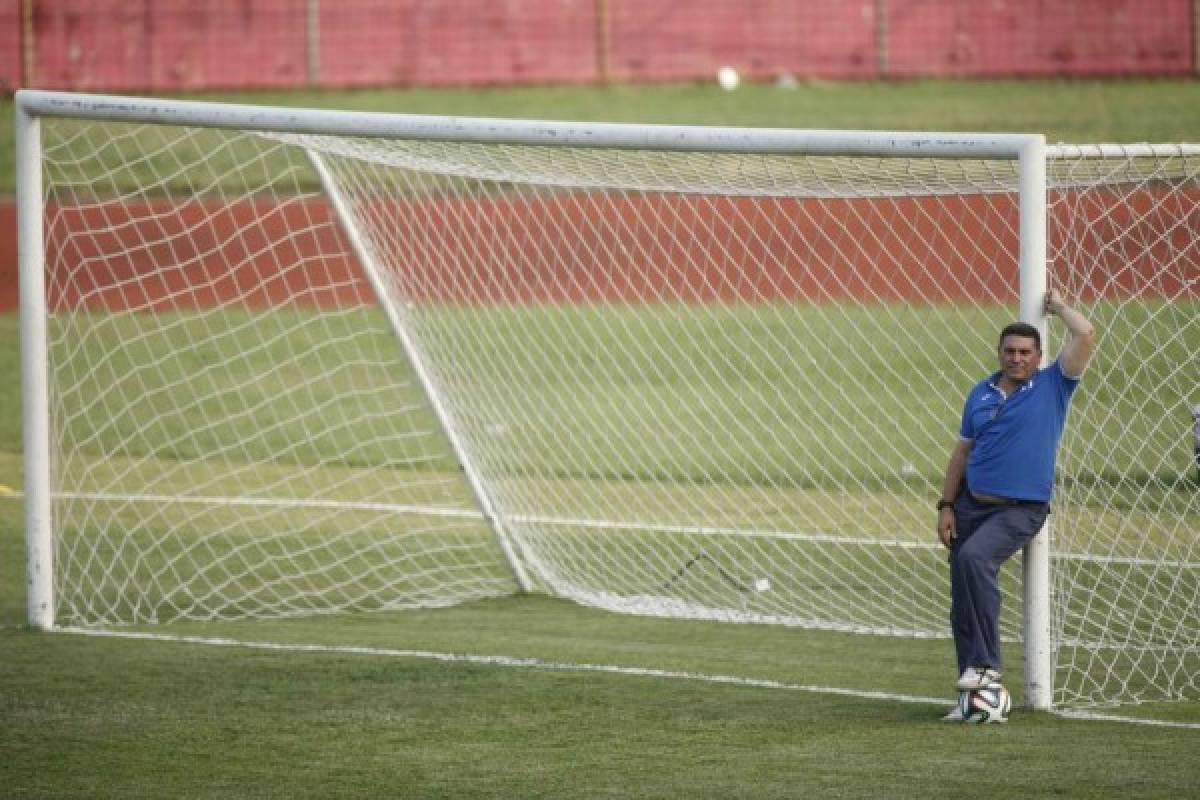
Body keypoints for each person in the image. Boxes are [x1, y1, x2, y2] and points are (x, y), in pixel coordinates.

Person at [936, 288, 1095, 720]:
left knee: (974, 559)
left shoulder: (1053, 385)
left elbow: (1084, 333)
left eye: (1026, 351)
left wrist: (1058, 306)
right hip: (971, 505)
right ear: (1000, 352)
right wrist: (946, 505)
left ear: (1039, 355)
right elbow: (961, 454)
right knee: (961, 598)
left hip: (1020, 509)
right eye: (1010, 351)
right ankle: (973, 692)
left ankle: (986, 667)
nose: (1017, 358)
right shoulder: (980, 393)